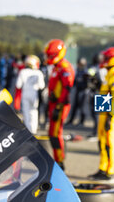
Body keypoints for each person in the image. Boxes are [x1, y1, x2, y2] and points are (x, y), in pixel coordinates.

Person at [88, 47, 114, 183]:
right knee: (102, 142)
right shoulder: (109, 73)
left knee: (110, 143)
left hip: (110, 113)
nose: (104, 60)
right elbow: (107, 92)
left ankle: (110, 172)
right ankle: (102, 168)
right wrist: (97, 85)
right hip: (104, 111)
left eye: (107, 58)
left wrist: (110, 117)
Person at [44, 39, 75, 170]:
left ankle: (60, 162)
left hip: (60, 105)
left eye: (51, 55)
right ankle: (57, 159)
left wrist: (58, 107)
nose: (49, 58)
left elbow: (67, 89)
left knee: (56, 134)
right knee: (52, 133)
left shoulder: (64, 67)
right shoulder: (57, 67)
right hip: (53, 104)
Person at [15, 55, 45, 134]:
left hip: (25, 94)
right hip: (34, 94)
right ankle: (33, 131)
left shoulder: (23, 72)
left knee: (26, 113)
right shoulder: (38, 73)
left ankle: (28, 131)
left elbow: (18, 85)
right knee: (34, 112)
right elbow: (42, 86)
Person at [86, 53, 104, 138]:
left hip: (100, 93)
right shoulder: (104, 68)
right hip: (101, 94)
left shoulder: (98, 68)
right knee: (99, 115)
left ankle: (97, 133)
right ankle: (98, 133)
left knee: (98, 115)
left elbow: (89, 74)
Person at [67, 57, 88, 126]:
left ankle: (82, 121)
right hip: (78, 90)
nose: (79, 66)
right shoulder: (77, 71)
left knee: (83, 107)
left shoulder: (86, 71)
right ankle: (71, 120)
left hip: (84, 91)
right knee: (74, 106)